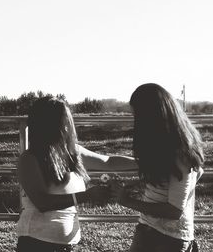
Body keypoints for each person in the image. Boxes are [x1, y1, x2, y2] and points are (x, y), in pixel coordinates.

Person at [16, 96, 136, 252]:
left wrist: (146, 163)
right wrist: (87, 195)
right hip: (36, 244)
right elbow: (42, 202)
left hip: (66, 246)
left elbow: (108, 161)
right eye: (63, 121)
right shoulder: (29, 159)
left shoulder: (73, 152)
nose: (68, 126)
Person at [111, 83, 204, 252]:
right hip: (149, 230)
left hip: (170, 239)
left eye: (137, 116)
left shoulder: (180, 153)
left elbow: (174, 210)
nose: (136, 123)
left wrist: (127, 201)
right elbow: (192, 176)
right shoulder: (164, 148)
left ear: (151, 117)